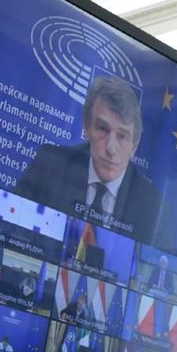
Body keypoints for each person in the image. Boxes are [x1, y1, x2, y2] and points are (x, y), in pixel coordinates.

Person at [15, 76, 161, 241]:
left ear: (134, 146)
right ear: (87, 127)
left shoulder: (152, 206)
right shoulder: (49, 166)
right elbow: (9, 224)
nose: (111, 149)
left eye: (122, 136)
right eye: (103, 129)